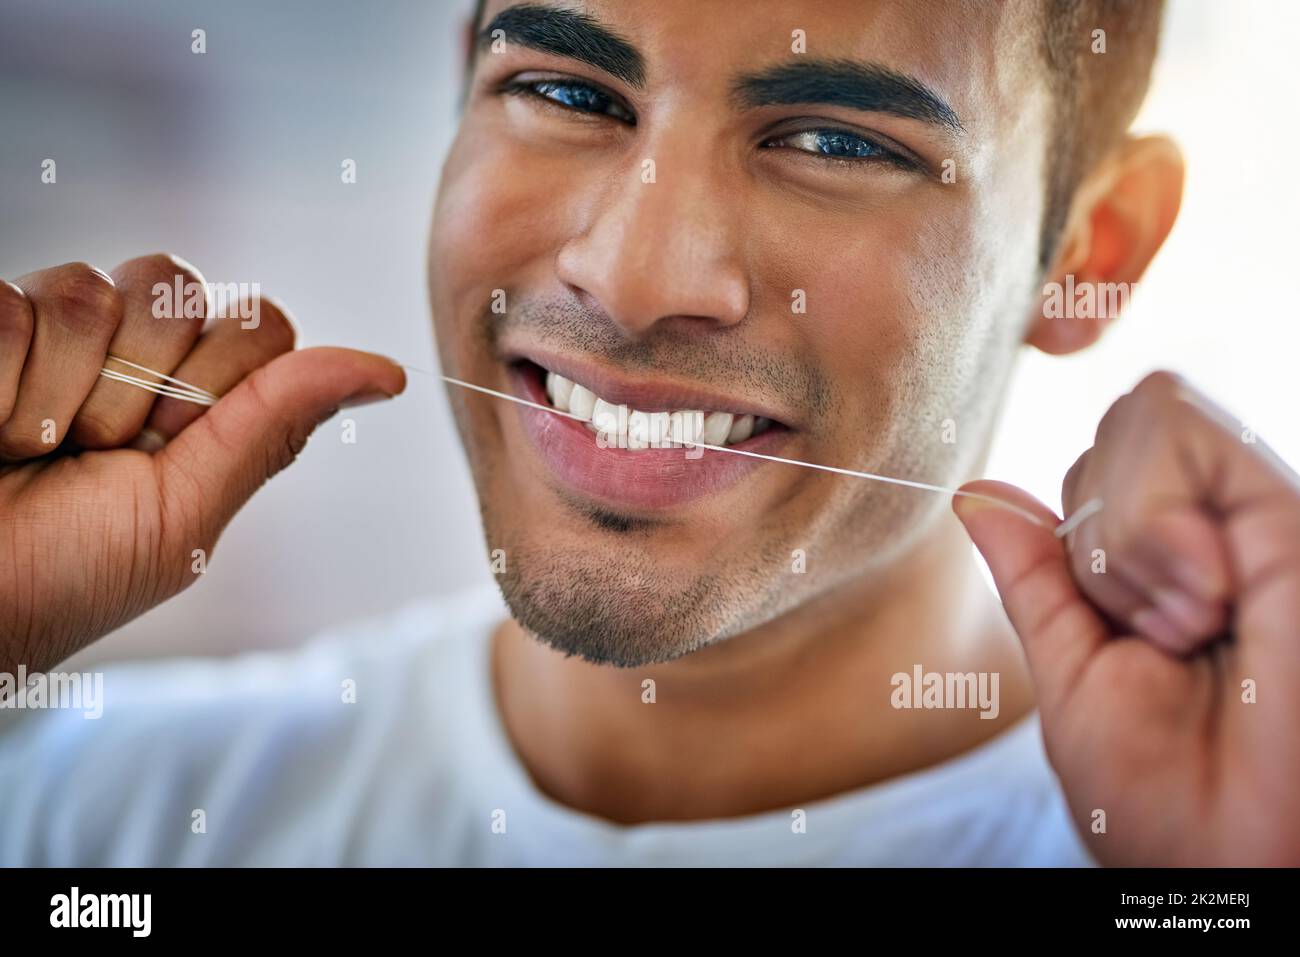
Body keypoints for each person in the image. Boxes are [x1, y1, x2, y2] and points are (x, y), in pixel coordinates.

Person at [1, 0, 1296, 866]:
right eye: (567, 91)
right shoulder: (100, 813)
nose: (628, 275)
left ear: (1092, 244)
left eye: (837, 139)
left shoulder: (1210, 847)